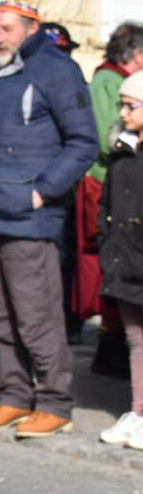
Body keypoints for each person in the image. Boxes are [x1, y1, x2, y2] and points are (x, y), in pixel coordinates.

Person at [0, 0, 99, 437]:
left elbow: (83, 142)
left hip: (27, 217)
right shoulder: (2, 71)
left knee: (36, 313)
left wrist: (42, 193)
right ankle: (14, 396)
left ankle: (55, 402)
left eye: (7, 28)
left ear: (31, 26)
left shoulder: (57, 69)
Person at [78, 23, 143, 377]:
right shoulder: (107, 82)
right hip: (110, 193)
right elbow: (107, 138)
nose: (123, 112)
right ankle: (110, 351)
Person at [96, 71, 143, 449]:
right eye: (123, 106)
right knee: (135, 338)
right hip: (124, 260)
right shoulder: (122, 152)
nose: (124, 113)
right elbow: (106, 203)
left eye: (132, 106)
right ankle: (138, 412)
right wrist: (107, 244)